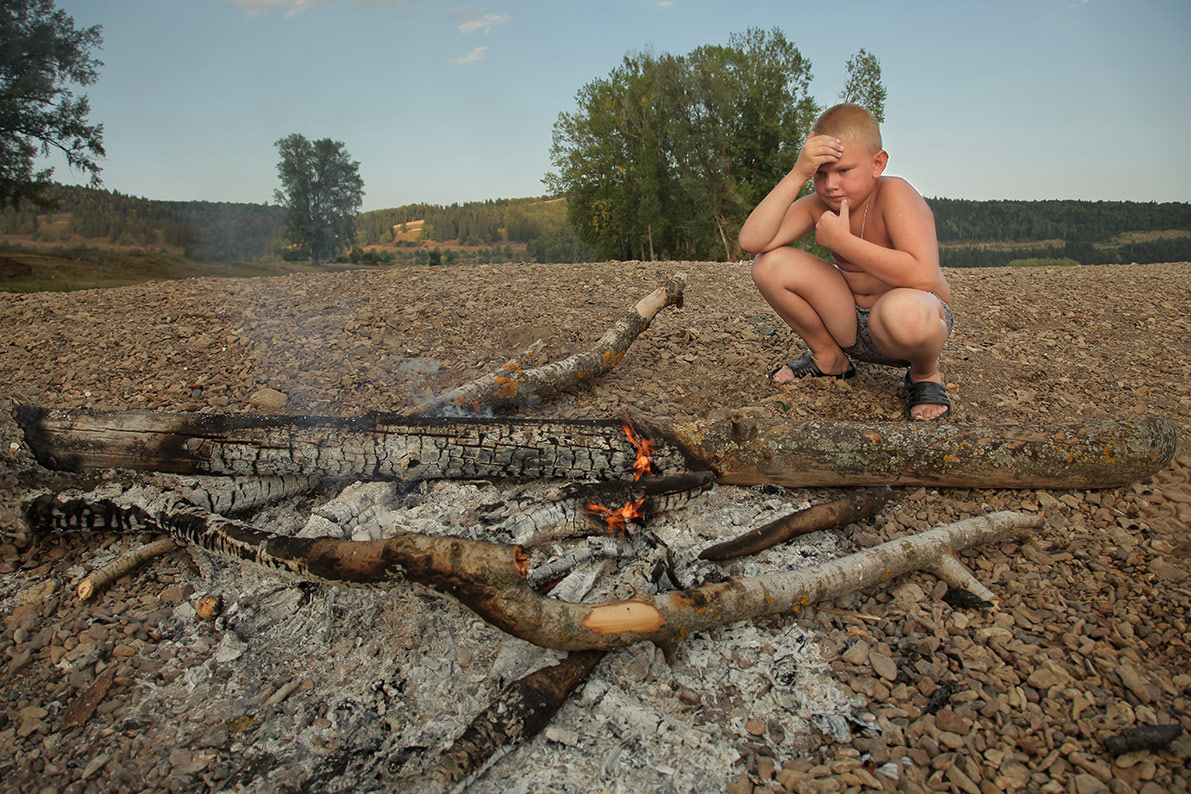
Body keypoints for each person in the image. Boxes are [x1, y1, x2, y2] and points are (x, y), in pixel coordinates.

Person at [739, 103, 953, 421]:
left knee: (905, 313)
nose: (830, 185)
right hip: (853, 324)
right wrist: (798, 173)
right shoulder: (820, 203)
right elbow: (751, 241)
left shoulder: (895, 194)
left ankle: (925, 374)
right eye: (820, 174)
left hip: (912, 324)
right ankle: (830, 359)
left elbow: (922, 275)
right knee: (768, 264)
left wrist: (844, 244)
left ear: (877, 163)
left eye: (843, 171)